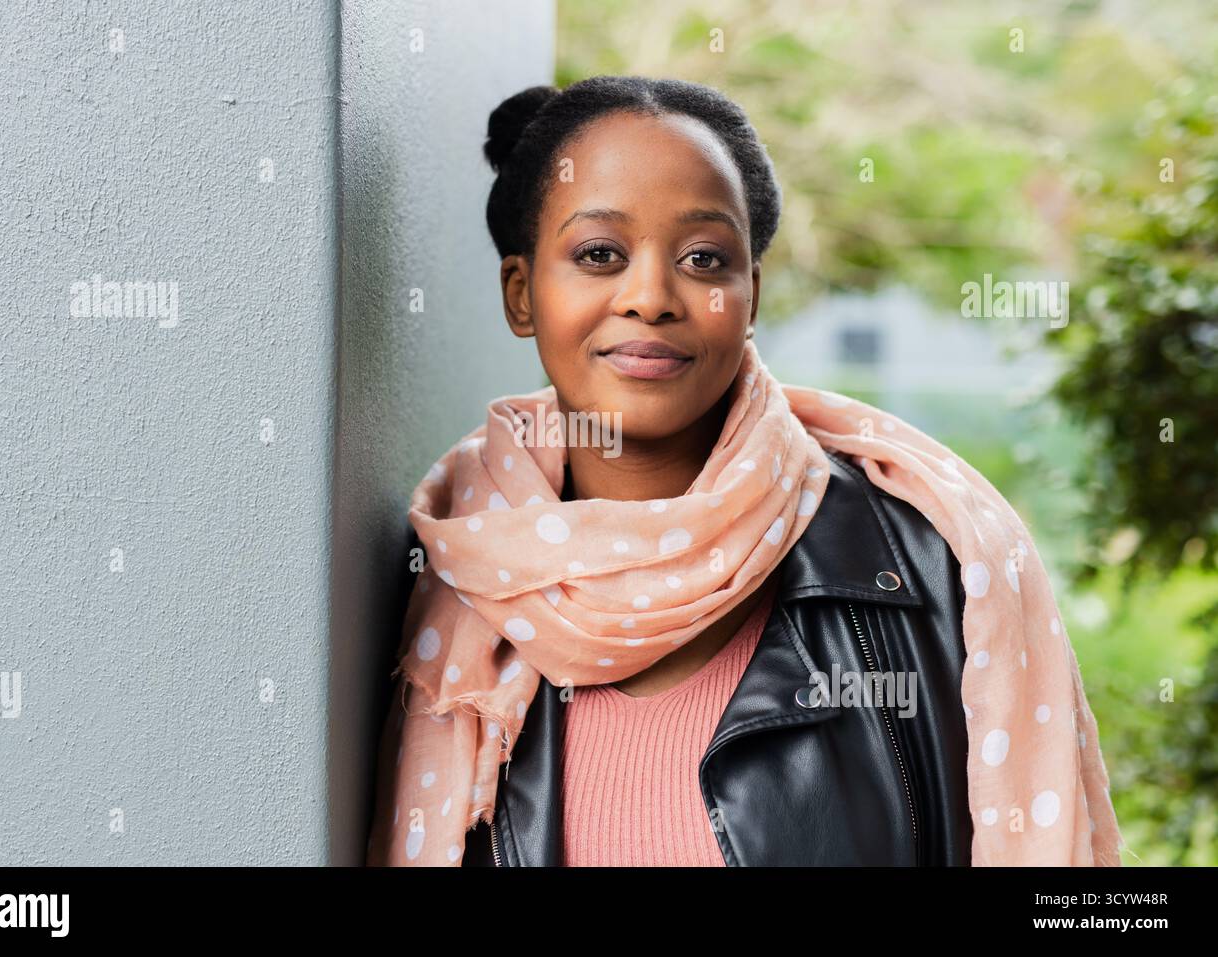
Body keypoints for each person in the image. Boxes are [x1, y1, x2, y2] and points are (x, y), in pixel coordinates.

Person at [365, 75, 1122, 867]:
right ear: (522, 295)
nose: (651, 296)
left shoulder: (933, 567)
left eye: (703, 257)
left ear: (749, 294)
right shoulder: (461, 575)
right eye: (600, 253)